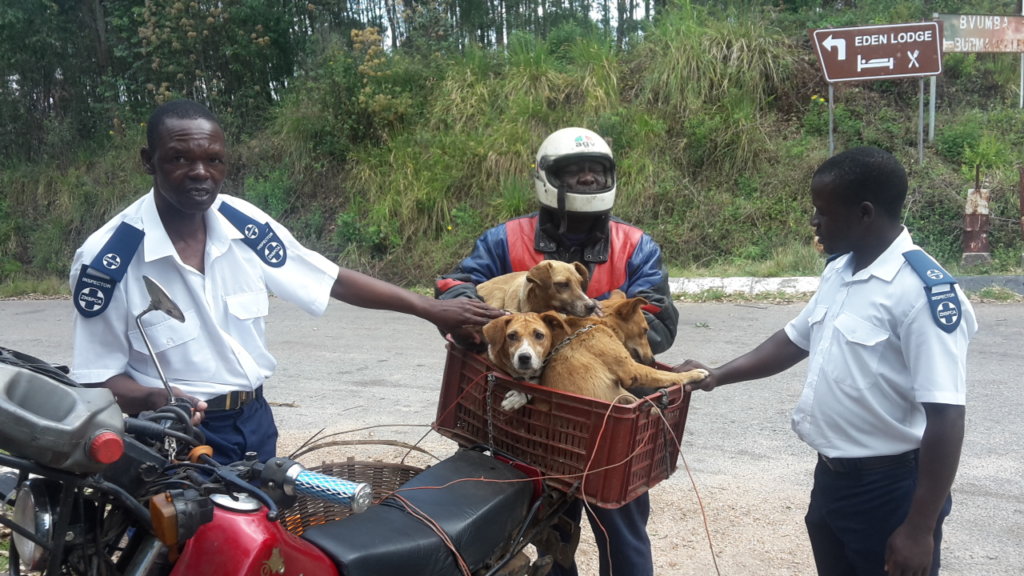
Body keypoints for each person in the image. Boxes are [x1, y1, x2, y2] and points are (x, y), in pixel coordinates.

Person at [69, 99, 504, 464]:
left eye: (213, 159)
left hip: (254, 422)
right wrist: (153, 399)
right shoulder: (108, 260)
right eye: (180, 158)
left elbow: (330, 279)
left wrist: (431, 310)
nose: (201, 172)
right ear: (148, 161)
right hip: (175, 434)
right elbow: (96, 378)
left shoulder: (243, 223)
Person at [675, 146, 977, 576]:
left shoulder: (921, 293)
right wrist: (716, 375)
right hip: (833, 480)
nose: (814, 222)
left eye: (823, 212)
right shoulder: (840, 269)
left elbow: (947, 416)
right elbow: (794, 340)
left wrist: (919, 528)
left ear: (865, 213)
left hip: (891, 489)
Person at [436, 127, 678, 576]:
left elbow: (658, 321)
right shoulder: (505, 239)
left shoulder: (635, 245)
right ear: (548, 177)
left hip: (605, 414)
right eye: (575, 170)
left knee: (621, 527)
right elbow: (456, 286)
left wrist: (578, 329)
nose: (588, 178)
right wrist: (476, 316)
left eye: (596, 170)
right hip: (527, 419)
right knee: (544, 530)